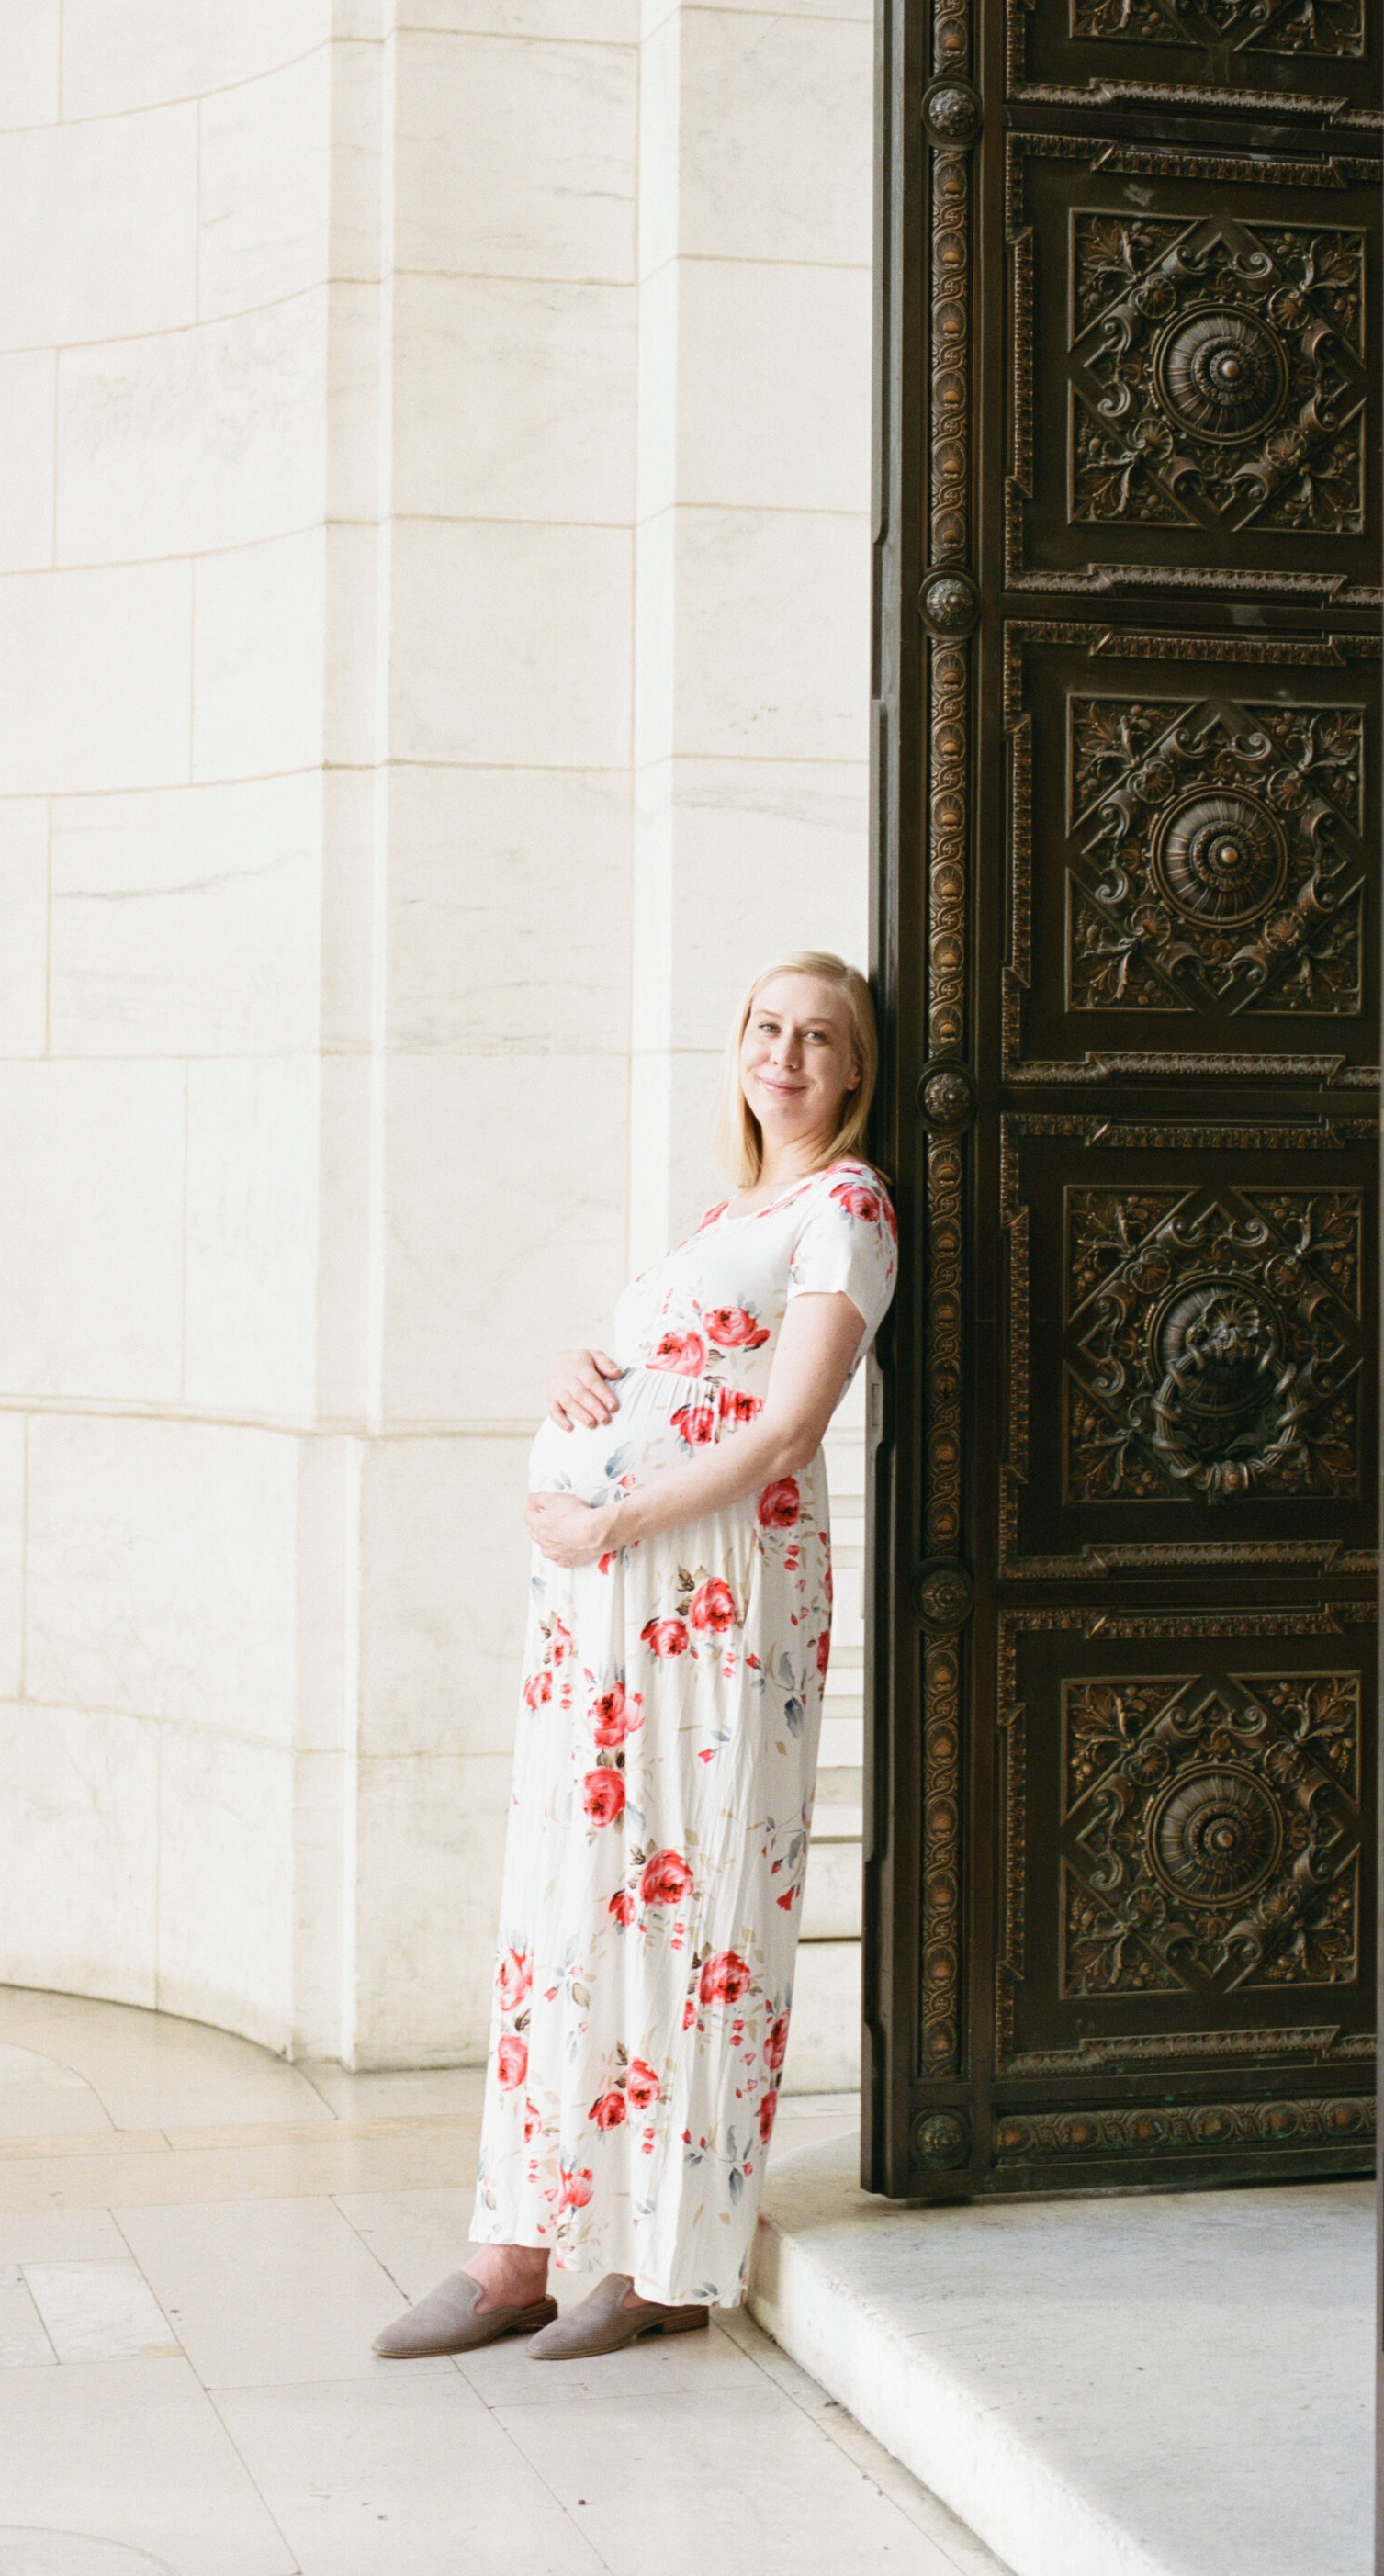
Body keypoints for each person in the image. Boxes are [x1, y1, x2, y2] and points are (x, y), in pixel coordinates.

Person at [374, 951, 897, 2364]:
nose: (785, 1053)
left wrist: (605, 1512)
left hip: (717, 1601)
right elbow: (671, 1369)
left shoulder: (846, 1208)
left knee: (696, 1912)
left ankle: (668, 2258)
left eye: (819, 1037)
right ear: (737, 1043)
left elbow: (785, 1429)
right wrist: (579, 1370)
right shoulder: (729, 1212)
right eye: (766, 1026)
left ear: (854, 1071)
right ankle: (517, 2246)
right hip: (615, 1610)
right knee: (570, 1905)